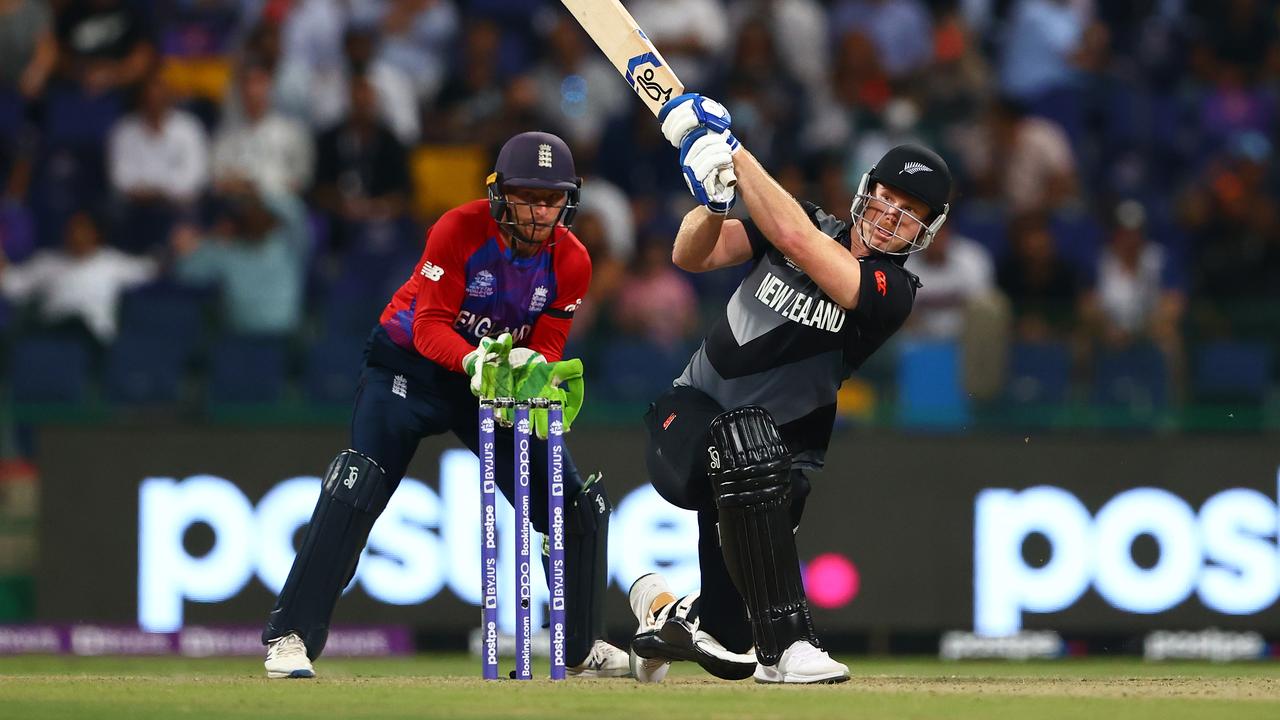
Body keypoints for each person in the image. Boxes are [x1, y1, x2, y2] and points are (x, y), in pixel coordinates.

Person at [261, 131, 628, 680]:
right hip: (410, 367)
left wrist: (535, 377)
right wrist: (476, 363)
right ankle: (289, 636)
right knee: (356, 484)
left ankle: (578, 649)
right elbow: (431, 324)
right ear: (501, 193)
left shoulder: (572, 260)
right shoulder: (458, 228)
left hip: (494, 383)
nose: (539, 211)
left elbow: (547, 346)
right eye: (528, 196)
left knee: (574, 505)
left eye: (551, 199)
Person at [627, 94, 954, 684]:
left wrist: (732, 148)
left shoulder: (893, 289)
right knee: (747, 442)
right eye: (887, 197)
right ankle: (790, 646)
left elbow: (803, 244)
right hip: (689, 421)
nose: (890, 215)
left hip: (768, 465)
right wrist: (712, 202)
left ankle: (662, 613)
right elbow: (689, 255)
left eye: (910, 212)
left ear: (925, 230)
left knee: (727, 646)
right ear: (865, 191)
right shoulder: (795, 223)